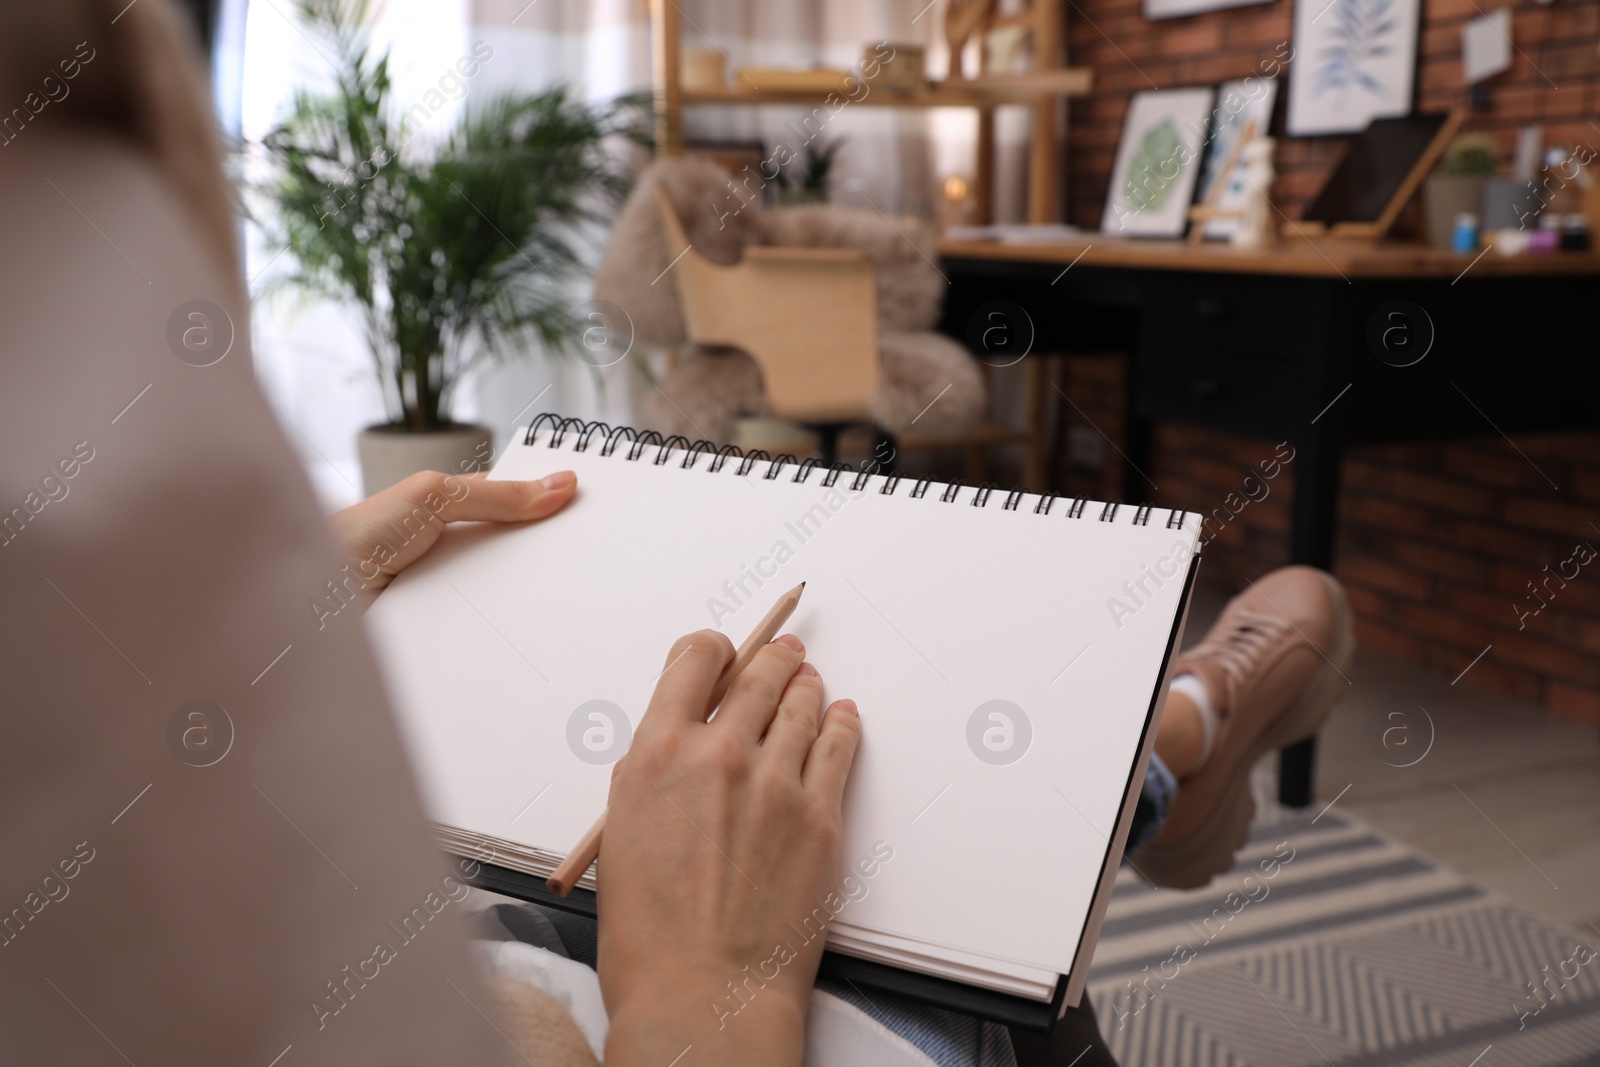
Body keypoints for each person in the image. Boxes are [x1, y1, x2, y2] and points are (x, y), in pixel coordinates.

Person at [0, 3, 1351, 1063]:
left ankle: (1166, 753)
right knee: (848, 807)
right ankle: (1171, 749)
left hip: (391, 905)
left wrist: (232, 635)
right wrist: (712, 1000)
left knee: (742, 760)